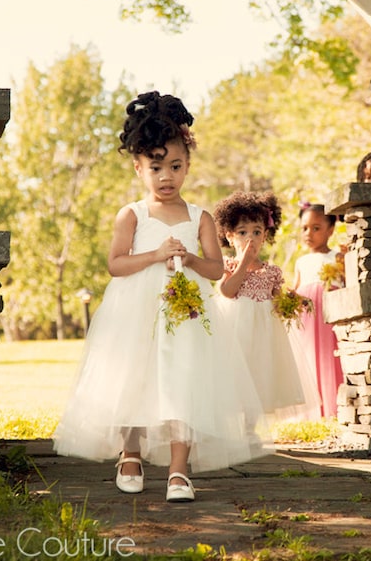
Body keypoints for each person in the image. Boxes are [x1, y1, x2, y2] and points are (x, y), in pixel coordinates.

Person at [53, 91, 266, 503]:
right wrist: (154, 255)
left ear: (187, 166)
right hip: (137, 310)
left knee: (184, 380)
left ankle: (178, 469)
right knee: (136, 377)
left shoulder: (199, 216)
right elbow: (116, 264)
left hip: (185, 311)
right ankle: (130, 453)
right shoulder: (132, 214)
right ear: (138, 168)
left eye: (175, 166)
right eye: (156, 167)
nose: (166, 176)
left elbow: (215, 268)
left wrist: (187, 257)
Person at [213, 191, 322, 426]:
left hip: (263, 331)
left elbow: (278, 300)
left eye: (256, 232)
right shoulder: (228, 264)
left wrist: (294, 302)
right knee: (235, 374)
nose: (249, 238)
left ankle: (251, 427)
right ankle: (229, 428)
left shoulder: (271, 271)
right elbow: (227, 291)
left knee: (259, 374)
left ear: (265, 236)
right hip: (235, 330)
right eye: (242, 232)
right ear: (230, 237)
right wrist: (243, 261)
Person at [290, 202, 345, 419]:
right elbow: (295, 289)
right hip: (305, 319)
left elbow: (347, 283)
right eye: (304, 228)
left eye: (316, 228)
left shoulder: (337, 257)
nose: (308, 233)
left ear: (330, 229)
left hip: (327, 316)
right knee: (306, 358)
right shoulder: (301, 261)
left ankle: (332, 407)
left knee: (328, 357)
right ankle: (309, 410)